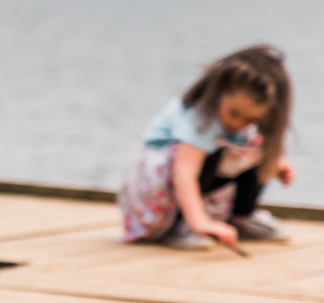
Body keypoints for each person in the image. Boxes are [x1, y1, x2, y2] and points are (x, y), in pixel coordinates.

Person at [119, 45, 295, 250]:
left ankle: (242, 216)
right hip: (155, 185)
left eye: (251, 119)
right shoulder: (201, 117)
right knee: (213, 147)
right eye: (235, 113)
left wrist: (276, 164)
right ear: (218, 93)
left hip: (189, 178)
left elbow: (249, 147)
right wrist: (199, 222)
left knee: (258, 147)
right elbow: (184, 173)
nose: (239, 124)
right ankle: (184, 225)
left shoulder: (238, 123)